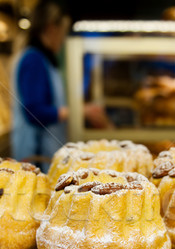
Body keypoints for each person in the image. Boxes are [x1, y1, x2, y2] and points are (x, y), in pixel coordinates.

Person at [10, 0, 109, 172]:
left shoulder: (43, 59)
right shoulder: (33, 59)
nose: (63, 40)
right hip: (36, 155)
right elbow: (35, 112)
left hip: (47, 151)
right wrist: (81, 111)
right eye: (63, 32)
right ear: (51, 28)